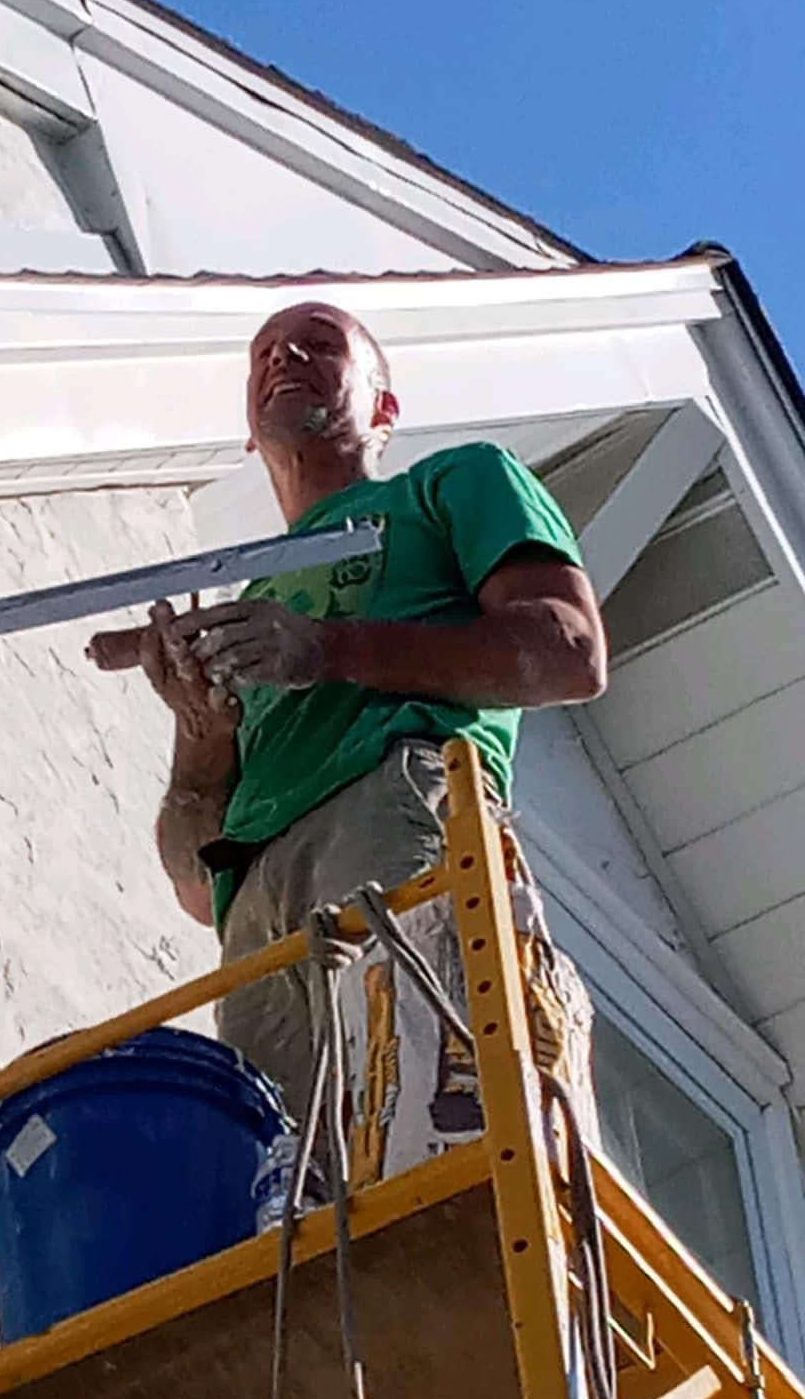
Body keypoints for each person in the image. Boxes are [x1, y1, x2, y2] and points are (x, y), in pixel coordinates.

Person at [98, 301, 605, 1183]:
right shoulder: (254, 592)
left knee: (433, 1148)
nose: (283, 356)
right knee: (299, 1211)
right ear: (248, 436)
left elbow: (569, 651)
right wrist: (201, 735)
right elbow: (192, 882)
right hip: (258, 907)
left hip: (393, 807)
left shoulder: (448, 485)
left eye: (320, 344)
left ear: (384, 408)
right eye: (264, 352)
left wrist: (329, 649)